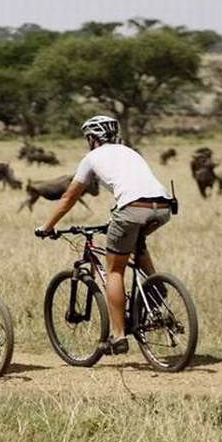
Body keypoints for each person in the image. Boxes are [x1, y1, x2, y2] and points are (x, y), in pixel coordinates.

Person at [35, 115, 173, 355]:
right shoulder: (130, 151)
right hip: (162, 207)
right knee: (136, 243)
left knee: (115, 270)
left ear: (92, 137)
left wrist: (47, 227)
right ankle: (155, 286)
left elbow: (68, 198)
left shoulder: (91, 157)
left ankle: (118, 336)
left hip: (132, 209)